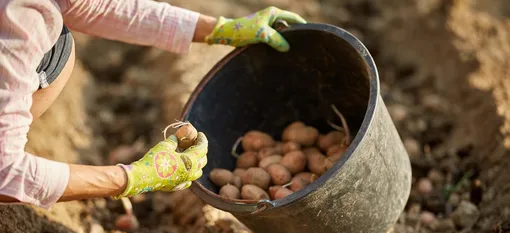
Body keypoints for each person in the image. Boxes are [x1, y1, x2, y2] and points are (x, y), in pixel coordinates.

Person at [0, 1, 307, 210]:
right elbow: (5, 171)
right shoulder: (18, 19)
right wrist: (133, 178)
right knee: (57, 54)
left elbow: (92, 7)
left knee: (58, 47)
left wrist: (219, 29)